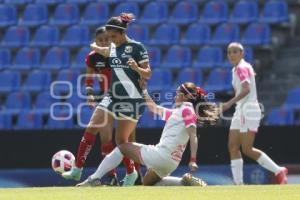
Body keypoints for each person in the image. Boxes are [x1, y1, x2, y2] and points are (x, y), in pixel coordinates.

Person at [62, 13, 151, 186]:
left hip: (131, 99)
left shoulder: (137, 47)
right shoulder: (111, 48)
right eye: (109, 37)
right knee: (91, 127)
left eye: (114, 37)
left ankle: (132, 172)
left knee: (121, 142)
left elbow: (148, 73)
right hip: (112, 97)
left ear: (123, 32)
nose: (112, 40)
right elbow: (99, 49)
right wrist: (94, 46)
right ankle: (77, 169)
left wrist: (137, 69)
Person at [76, 82, 218, 186]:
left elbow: (193, 135)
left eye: (177, 93)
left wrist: (193, 159)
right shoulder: (178, 113)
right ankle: (183, 182)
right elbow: (154, 108)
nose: (175, 96)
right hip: (172, 162)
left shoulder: (186, 109)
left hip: (161, 155)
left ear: (185, 96)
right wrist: (143, 89)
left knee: (122, 147)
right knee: (148, 183)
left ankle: (94, 178)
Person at [222, 42, 288, 185]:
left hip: (249, 110)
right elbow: (242, 90)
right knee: (233, 146)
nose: (232, 54)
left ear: (242, 53)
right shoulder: (237, 69)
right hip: (241, 109)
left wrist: (228, 103)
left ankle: (278, 170)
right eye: (229, 52)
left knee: (246, 149)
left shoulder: (241, 67)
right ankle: (238, 184)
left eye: (235, 51)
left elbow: (246, 89)